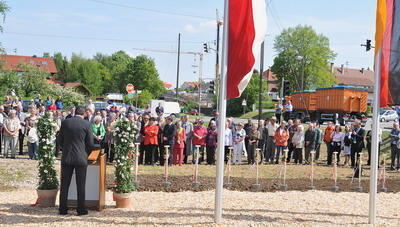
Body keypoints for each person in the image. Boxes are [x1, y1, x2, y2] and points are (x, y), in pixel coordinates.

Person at [58, 105, 94, 215]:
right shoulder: (86, 124)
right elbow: (90, 144)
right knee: (81, 184)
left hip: (67, 156)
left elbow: (59, 141)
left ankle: (63, 209)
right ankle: (81, 209)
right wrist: (85, 153)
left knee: (64, 184)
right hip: (81, 157)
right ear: (84, 114)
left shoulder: (65, 122)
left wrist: (65, 149)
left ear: (75, 112)